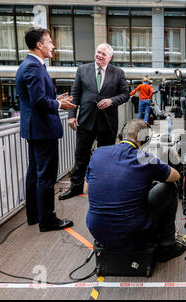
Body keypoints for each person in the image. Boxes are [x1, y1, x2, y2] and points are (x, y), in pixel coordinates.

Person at [85, 119, 186, 262]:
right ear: (145, 140)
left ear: (121, 135)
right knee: (169, 187)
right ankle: (167, 246)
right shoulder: (145, 159)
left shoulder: (98, 153)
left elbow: (87, 189)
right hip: (133, 234)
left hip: (98, 232)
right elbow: (175, 175)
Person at [16, 27, 76, 232]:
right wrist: (60, 105)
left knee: (34, 172)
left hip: (35, 129)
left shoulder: (29, 65)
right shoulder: (34, 67)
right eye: (49, 42)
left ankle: (34, 215)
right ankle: (48, 220)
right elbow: (39, 101)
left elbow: (37, 99)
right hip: (42, 129)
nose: (53, 46)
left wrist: (56, 99)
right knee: (46, 175)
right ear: (39, 45)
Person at [59, 43, 130, 201]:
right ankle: (75, 187)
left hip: (107, 122)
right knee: (81, 156)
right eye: (98, 52)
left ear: (110, 57)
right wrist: (71, 115)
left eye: (103, 54)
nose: (99, 55)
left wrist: (111, 101)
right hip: (85, 120)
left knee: (106, 158)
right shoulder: (83, 70)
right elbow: (75, 94)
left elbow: (125, 94)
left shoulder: (118, 73)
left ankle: (104, 188)